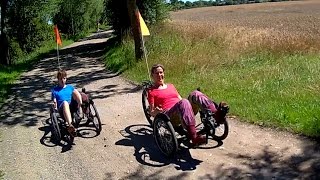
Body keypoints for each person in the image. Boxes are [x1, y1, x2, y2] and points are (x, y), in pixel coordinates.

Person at [147, 64, 228, 146]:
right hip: (169, 115)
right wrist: (156, 111)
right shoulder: (151, 91)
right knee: (184, 102)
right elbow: (151, 112)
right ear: (152, 75)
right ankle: (194, 137)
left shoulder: (171, 86)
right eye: (157, 73)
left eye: (161, 72)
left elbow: (179, 98)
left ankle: (216, 115)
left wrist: (189, 104)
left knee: (196, 94)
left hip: (182, 108)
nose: (159, 75)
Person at [51, 69, 82, 136]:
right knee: (65, 103)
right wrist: (55, 105)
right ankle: (70, 125)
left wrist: (80, 103)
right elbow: (54, 100)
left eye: (64, 78)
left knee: (76, 94)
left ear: (66, 79)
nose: (62, 80)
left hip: (72, 107)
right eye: (60, 79)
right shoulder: (55, 90)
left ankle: (81, 114)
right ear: (58, 79)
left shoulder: (70, 87)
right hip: (62, 109)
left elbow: (77, 93)